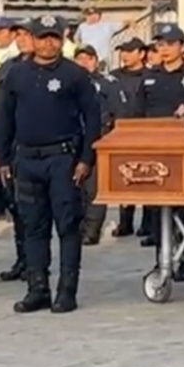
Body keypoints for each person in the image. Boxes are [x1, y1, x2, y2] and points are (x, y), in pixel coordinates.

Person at [0, 14, 101, 313]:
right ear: (32, 39)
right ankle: (37, 288)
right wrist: (1, 155)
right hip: (26, 159)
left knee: (67, 224)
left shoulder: (74, 74)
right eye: (42, 37)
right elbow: (4, 118)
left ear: (62, 38)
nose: (48, 43)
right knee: (32, 226)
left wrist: (85, 158)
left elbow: (93, 119)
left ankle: (66, 291)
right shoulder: (16, 74)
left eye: (54, 37)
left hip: (62, 158)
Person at [134, 23, 184, 283]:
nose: (164, 49)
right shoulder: (149, 76)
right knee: (157, 208)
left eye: (169, 44)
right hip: (155, 148)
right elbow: (138, 113)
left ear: (181, 46)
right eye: (160, 45)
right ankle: (163, 257)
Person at [0, 18, 33, 277]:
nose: (22, 39)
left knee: (34, 208)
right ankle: (22, 260)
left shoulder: (49, 68)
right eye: (19, 35)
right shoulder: (7, 69)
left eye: (27, 34)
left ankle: (36, 263)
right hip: (12, 145)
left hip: (38, 145)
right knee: (14, 204)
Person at [73, 45, 127, 246]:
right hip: (73, 139)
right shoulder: (69, 82)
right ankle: (78, 227)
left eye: (88, 58)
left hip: (99, 139)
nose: (84, 63)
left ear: (96, 61)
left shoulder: (107, 83)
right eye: (79, 59)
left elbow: (119, 113)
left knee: (94, 187)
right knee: (75, 188)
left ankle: (92, 230)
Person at [109, 37, 147, 239]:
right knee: (125, 177)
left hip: (144, 131)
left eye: (130, 50)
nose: (124, 55)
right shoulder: (114, 77)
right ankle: (126, 221)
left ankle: (148, 222)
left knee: (148, 175)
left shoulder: (150, 76)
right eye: (122, 50)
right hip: (120, 131)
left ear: (142, 53)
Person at [73, 7, 131, 71]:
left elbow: (123, 24)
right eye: (88, 15)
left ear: (98, 16)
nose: (90, 17)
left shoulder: (107, 25)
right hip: (87, 59)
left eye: (93, 14)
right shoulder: (82, 26)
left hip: (102, 59)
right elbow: (76, 38)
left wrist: (131, 22)